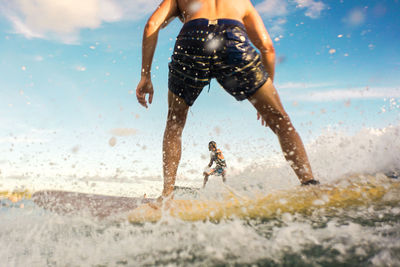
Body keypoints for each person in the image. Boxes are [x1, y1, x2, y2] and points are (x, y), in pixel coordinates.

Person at [136, 0, 319, 201]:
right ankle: (309, 185)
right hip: (232, 38)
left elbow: (151, 25)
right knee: (280, 120)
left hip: (191, 39)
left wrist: (145, 76)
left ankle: (166, 196)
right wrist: (266, 94)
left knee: (174, 123)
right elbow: (267, 47)